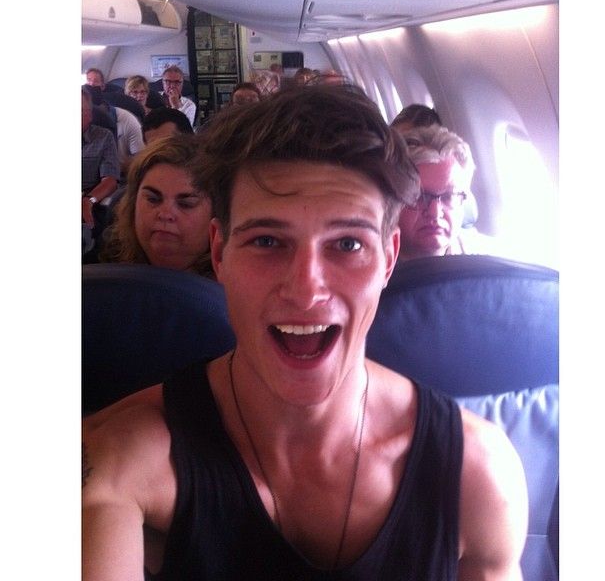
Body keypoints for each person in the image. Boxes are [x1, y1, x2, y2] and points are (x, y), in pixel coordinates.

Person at [83, 85, 527, 580]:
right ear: (219, 252)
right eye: (267, 240)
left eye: (347, 243)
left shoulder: (476, 474)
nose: (306, 289)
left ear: (389, 260)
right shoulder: (121, 457)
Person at [99, 134, 215, 276]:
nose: (165, 214)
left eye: (186, 204)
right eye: (153, 199)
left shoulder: (235, 289)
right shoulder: (107, 263)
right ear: (133, 204)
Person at [396, 124, 493, 258]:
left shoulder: (486, 260)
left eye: (449, 196)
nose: (435, 213)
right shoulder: (371, 265)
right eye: (418, 197)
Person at [82, 87, 120, 257]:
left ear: (89, 115)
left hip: (88, 201)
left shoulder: (103, 136)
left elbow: (110, 180)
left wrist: (89, 200)